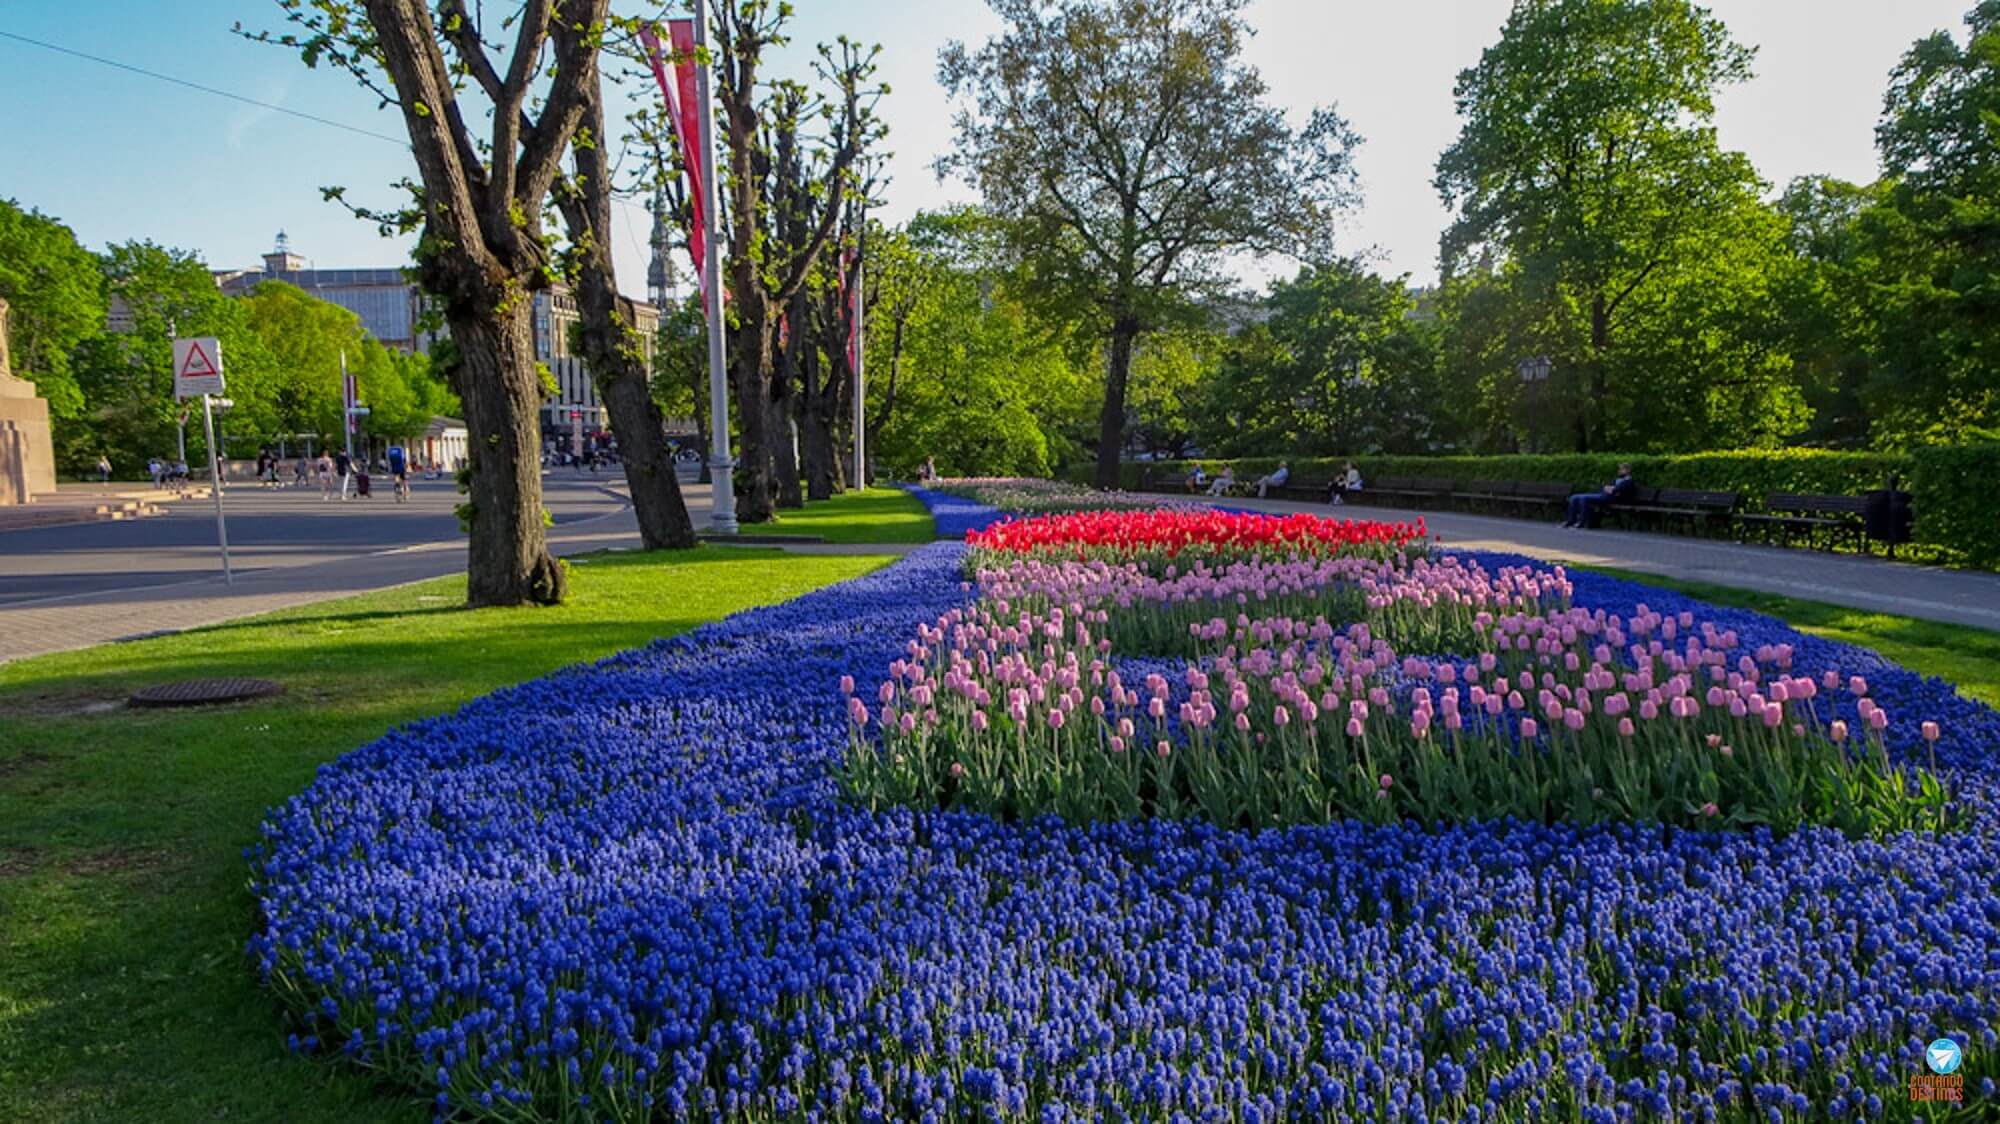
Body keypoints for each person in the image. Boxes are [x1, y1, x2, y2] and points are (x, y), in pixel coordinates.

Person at [1563, 463, 1637, 528]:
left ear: (1628, 471)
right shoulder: (1617, 479)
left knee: (1583, 498)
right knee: (1574, 497)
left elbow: (1617, 490)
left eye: (1622, 469)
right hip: (1603, 495)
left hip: (1612, 499)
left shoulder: (1629, 481)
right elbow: (1606, 487)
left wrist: (1611, 489)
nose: (1619, 471)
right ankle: (1570, 521)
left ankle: (1582, 522)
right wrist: (1610, 488)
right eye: (1620, 469)